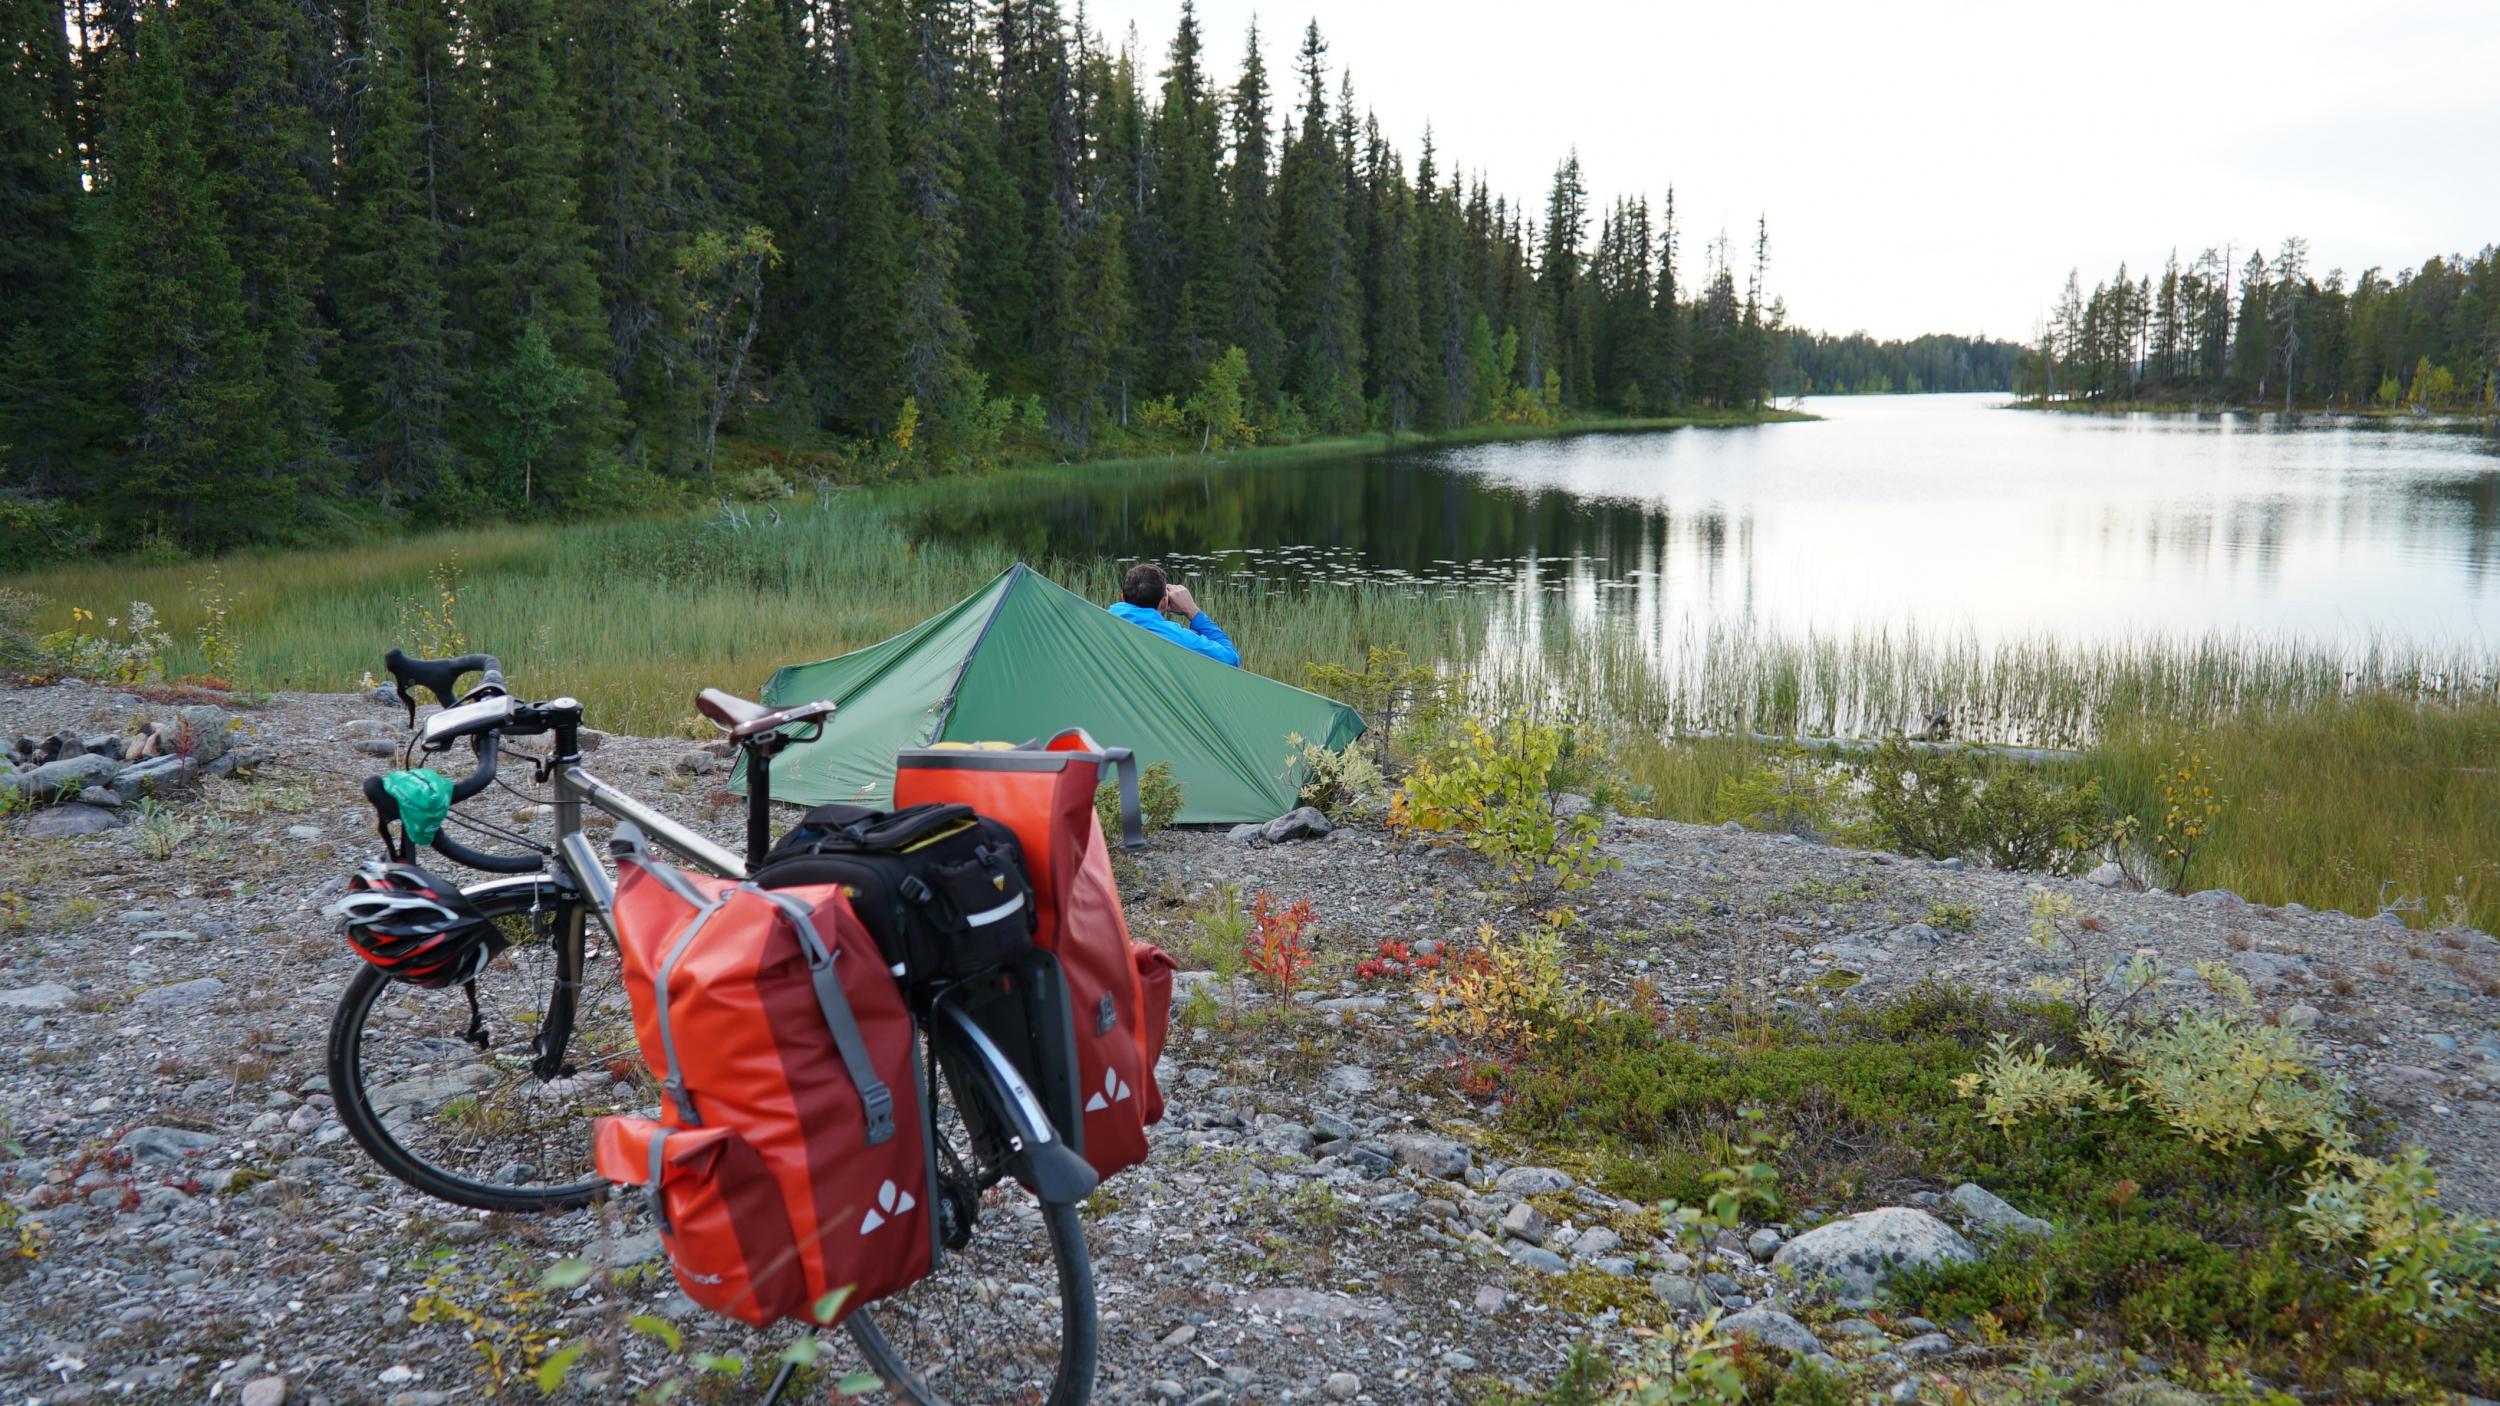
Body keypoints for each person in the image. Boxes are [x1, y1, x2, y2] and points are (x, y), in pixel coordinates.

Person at [1106, 563, 1240, 667]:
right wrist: (1193, 611)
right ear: (1164, 602)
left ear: (1122, 597)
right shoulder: (1175, 636)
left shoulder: (1100, 620)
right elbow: (1231, 658)